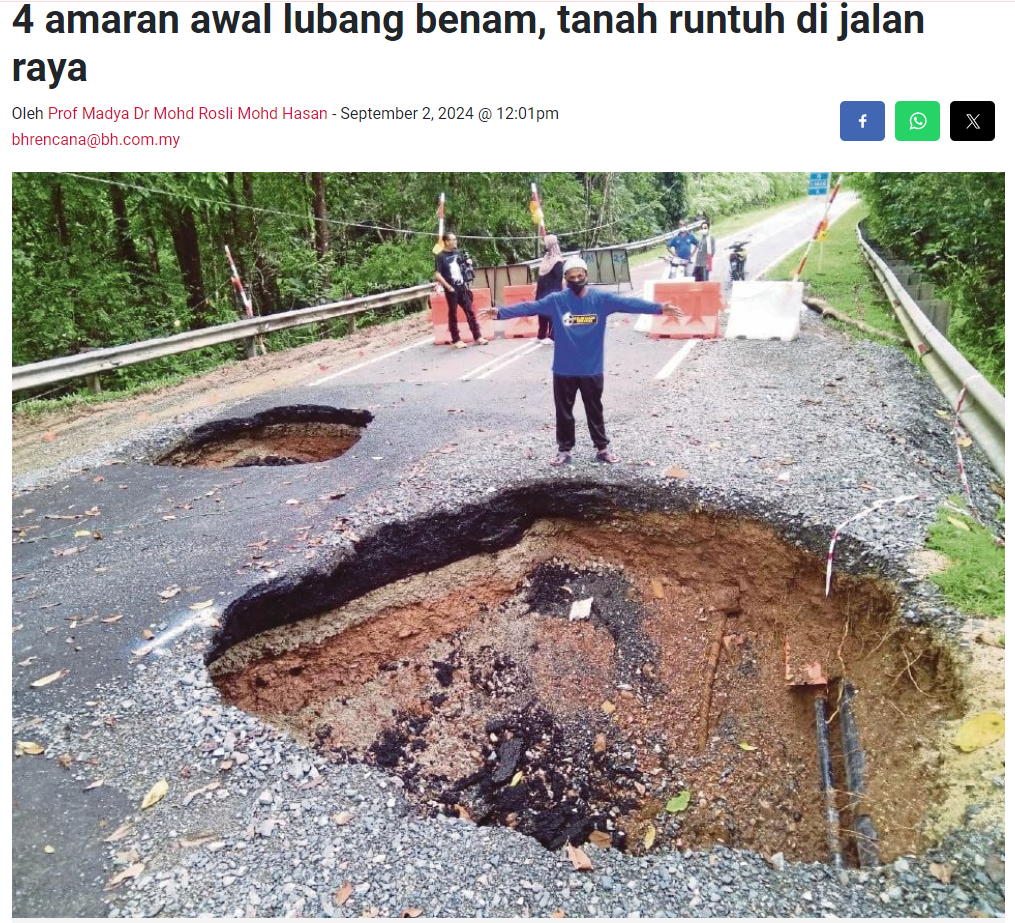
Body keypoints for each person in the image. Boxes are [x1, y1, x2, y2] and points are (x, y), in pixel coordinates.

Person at [482, 256, 684, 466]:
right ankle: (564, 450)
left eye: (580, 275)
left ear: (586, 275)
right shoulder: (557, 301)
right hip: (564, 369)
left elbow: (629, 303)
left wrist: (659, 308)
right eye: (572, 277)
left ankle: (602, 448)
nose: (577, 279)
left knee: (594, 409)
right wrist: (499, 313)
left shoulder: (601, 299)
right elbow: (529, 307)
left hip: (591, 369)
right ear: (565, 279)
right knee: (564, 413)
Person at [434, 231, 488, 349]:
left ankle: (477, 336)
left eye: (456, 239)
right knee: (453, 314)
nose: (455, 241)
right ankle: (456, 339)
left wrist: (468, 263)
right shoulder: (440, 256)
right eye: (453, 239)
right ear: (447, 242)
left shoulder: (458, 252)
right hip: (451, 288)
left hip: (462, 287)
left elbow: (463, 267)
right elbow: (437, 274)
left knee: (470, 312)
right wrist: (448, 287)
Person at [534, 234, 564, 344]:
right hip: (542, 291)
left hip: (551, 292)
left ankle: (553, 337)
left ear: (551, 245)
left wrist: (554, 293)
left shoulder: (557, 261)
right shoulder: (546, 259)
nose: (544, 245)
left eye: (546, 243)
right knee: (541, 312)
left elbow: (558, 280)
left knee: (552, 314)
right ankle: (541, 335)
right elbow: (541, 275)